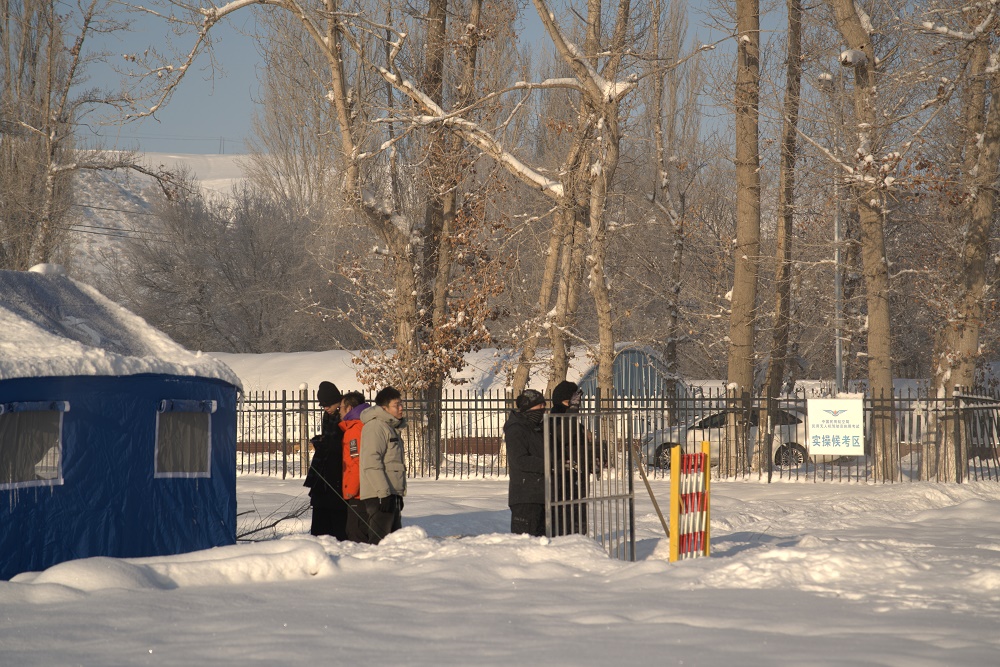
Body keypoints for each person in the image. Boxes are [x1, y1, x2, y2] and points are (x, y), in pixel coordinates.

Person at [359, 386, 407, 544]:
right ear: (384, 408)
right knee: (380, 544)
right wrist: (384, 494)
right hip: (380, 497)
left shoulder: (390, 428)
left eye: (401, 404)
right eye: (396, 405)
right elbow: (371, 462)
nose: (401, 408)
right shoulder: (376, 427)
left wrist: (396, 495)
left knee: (394, 544)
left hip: (391, 495)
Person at [303, 381, 348, 539]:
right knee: (321, 510)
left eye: (328, 404)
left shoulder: (344, 413)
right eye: (323, 405)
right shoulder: (329, 415)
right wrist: (322, 442)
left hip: (339, 470)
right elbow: (330, 439)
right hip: (325, 471)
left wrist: (326, 444)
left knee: (337, 512)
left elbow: (344, 442)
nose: (325, 408)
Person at [504, 388, 547, 537]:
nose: (543, 409)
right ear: (528, 408)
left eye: (544, 405)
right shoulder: (516, 429)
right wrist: (549, 465)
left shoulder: (538, 427)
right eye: (539, 406)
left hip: (541, 494)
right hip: (525, 496)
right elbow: (520, 460)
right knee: (526, 543)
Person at [549, 380, 588, 536]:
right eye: (569, 402)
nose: (574, 405)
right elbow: (563, 434)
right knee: (563, 523)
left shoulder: (576, 423)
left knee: (579, 522)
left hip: (577, 477)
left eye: (576, 402)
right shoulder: (554, 418)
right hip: (560, 478)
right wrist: (572, 410)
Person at [338, 391, 372, 543]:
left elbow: (356, 462)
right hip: (369, 492)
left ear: (349, 408)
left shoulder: (354, 429)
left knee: (356, 537)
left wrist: (350, 490)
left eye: (341, 407)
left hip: (359, 495)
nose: (339, 411)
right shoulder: (367, 424)